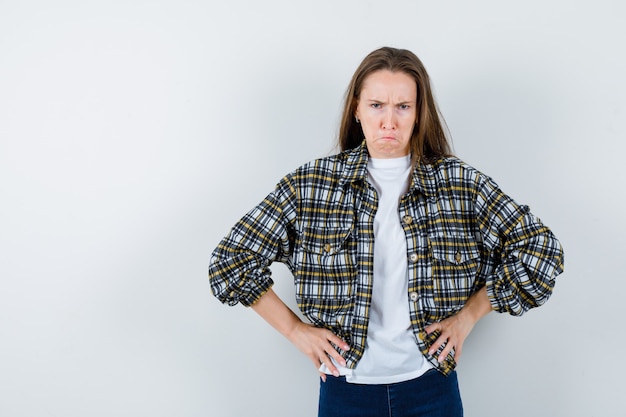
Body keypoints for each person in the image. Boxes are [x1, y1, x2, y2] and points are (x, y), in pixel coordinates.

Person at [208, 47, 564, 417]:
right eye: (377, 105)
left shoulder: (459, 184)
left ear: (418, 112)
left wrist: (469, 315)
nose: (389, 122)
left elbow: (541, 249)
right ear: (357, 110)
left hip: (432, 387)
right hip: (346, 390)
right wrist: (296, 331)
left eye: (403, 106)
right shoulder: (311, 185)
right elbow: (231, 261)